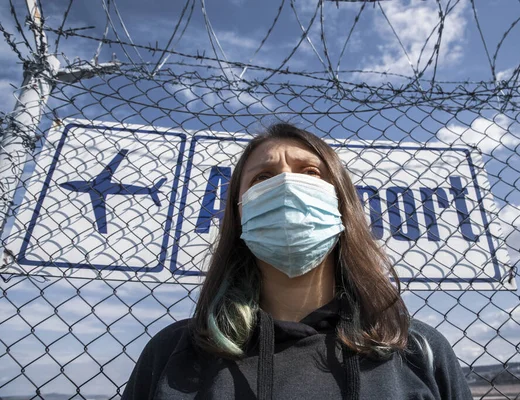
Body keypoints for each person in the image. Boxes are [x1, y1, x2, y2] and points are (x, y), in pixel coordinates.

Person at [121, 123, 473, 400]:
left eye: (311, 172)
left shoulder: (417, 349)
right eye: (262, 177)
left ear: (342, 204)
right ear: (239, 212)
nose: (288, 184)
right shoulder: (174, 352)